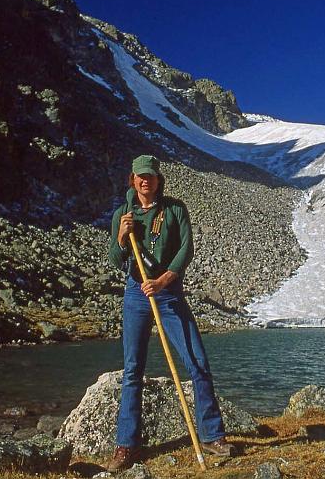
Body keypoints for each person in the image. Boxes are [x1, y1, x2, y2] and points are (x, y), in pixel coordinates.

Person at [105, 155, 235, 472]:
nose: (145, 180)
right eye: (140, 176)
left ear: (158, 179)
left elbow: (186, 249)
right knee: (133, 369)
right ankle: (126, 445)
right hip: (136, 292)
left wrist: (164, 280)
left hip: (168, 292)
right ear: (132, 179)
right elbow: (115, 259)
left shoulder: (175, 209)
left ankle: (211, 435)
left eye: (150, 175)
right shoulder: (122, 214)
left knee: (197, 362)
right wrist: (122, 237)